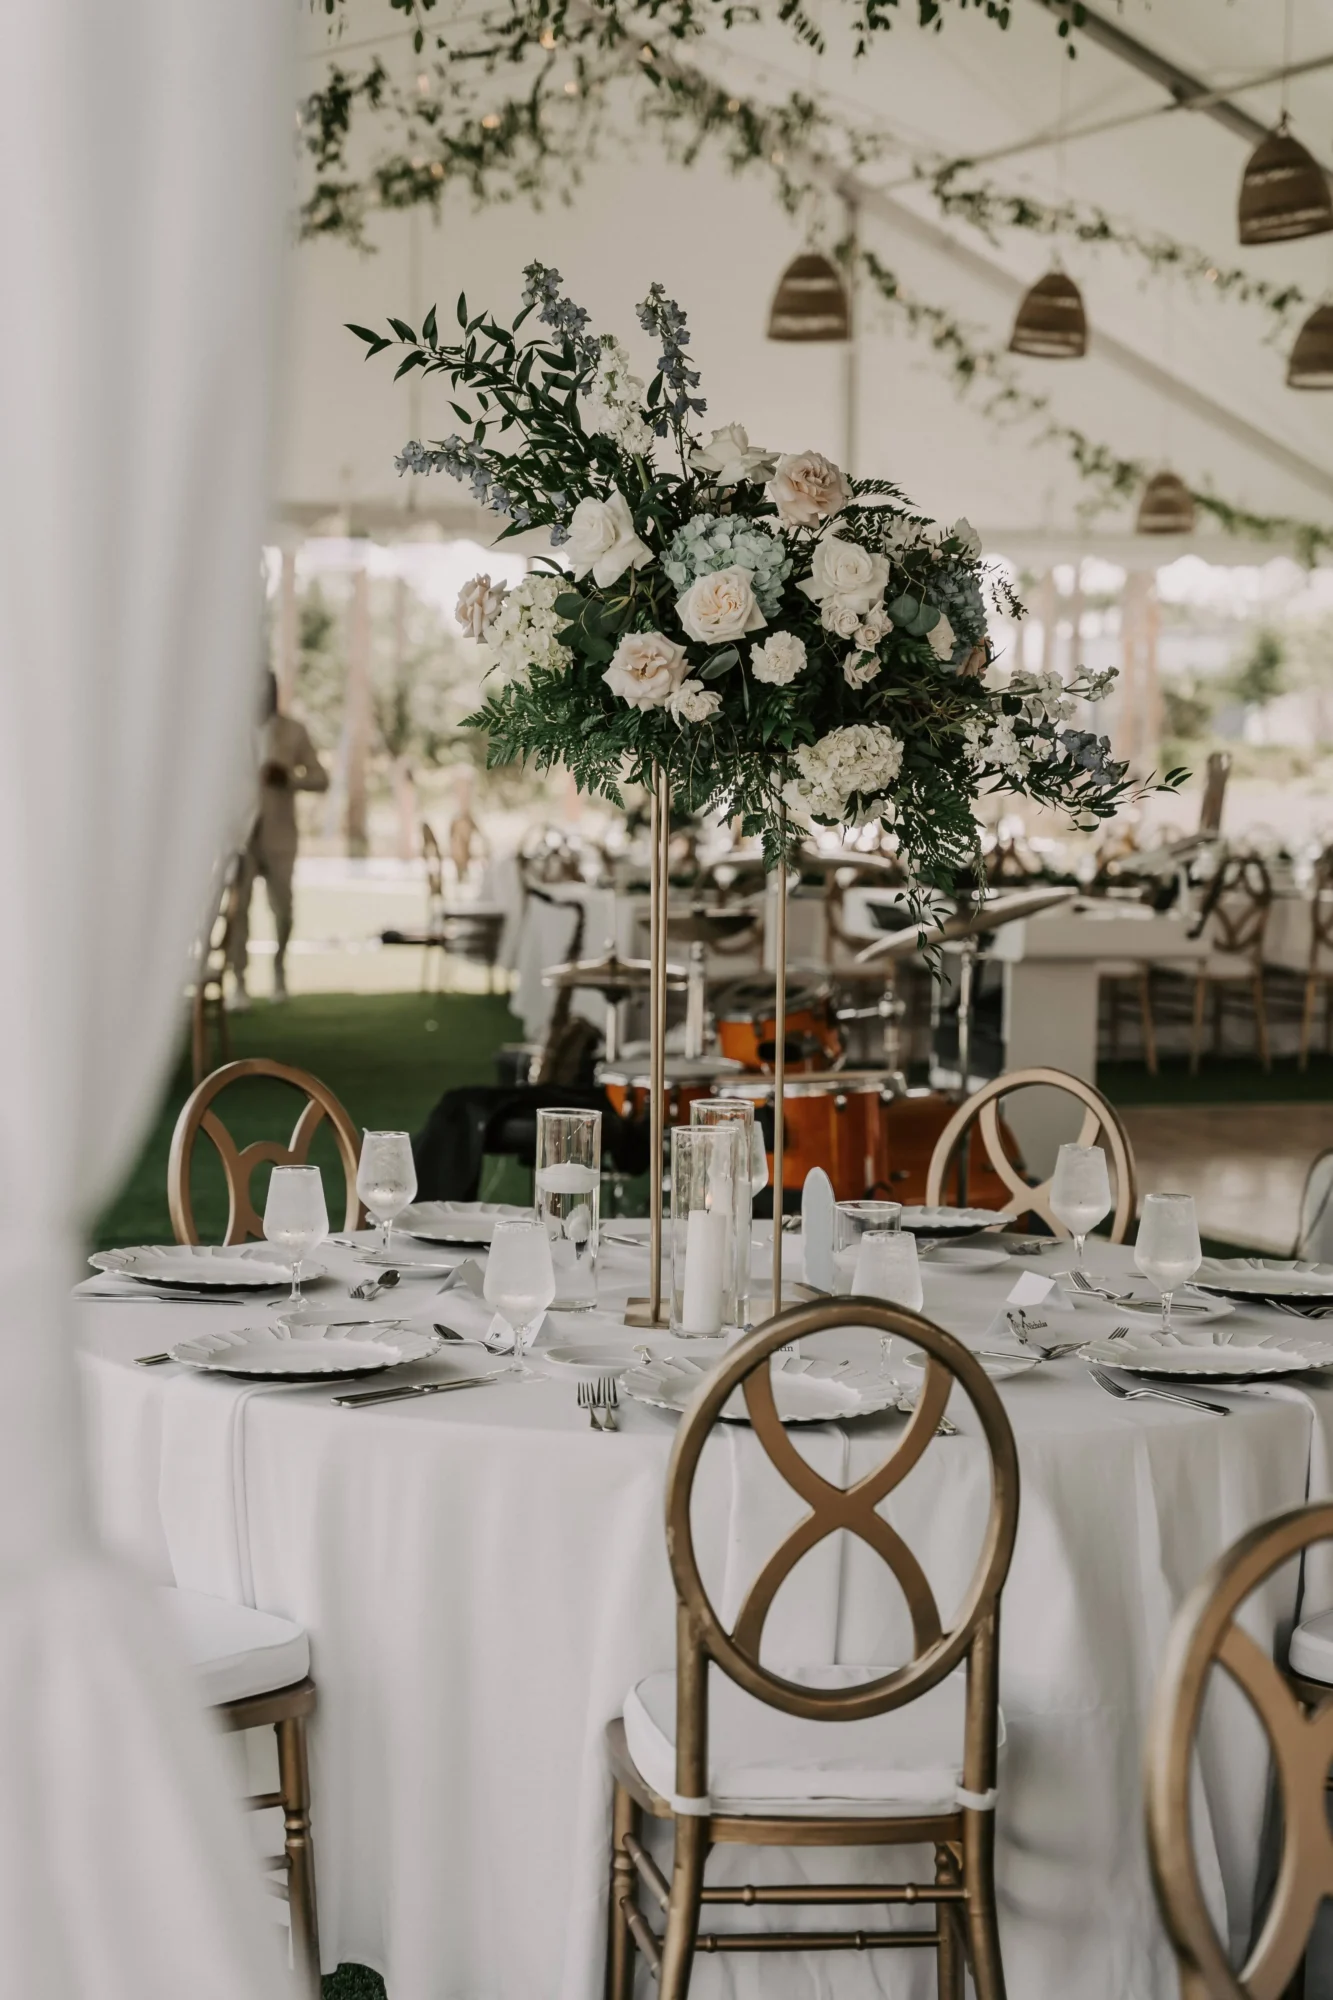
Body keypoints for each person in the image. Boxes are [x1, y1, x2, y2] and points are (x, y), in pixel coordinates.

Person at [227, 670, 328, 1008]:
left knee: (283, 910)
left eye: (268, 689)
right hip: (240, 836)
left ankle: (279, 972)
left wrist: (289, 779)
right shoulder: (230, 731)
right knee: (237, 911)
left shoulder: (293, 731)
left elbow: (320, 779)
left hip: (280, 834)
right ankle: (238, 980)